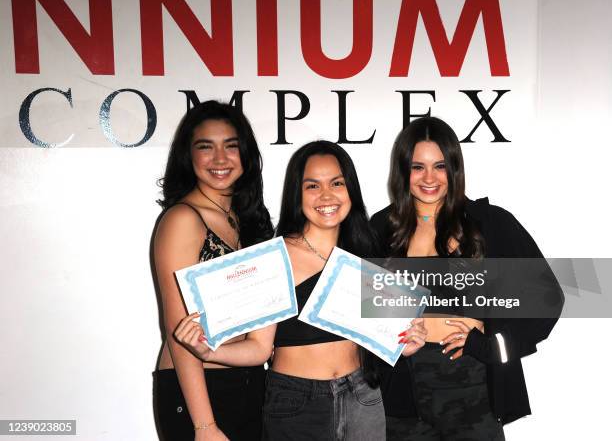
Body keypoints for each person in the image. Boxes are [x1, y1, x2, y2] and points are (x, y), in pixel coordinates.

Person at [175, 140, 428, 440]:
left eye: (337, 183)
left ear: (351, 190)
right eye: (312, 186)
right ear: (298, 193)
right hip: (296, 403)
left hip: (363, 397)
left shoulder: (366, 251)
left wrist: (404, 343)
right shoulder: (273, 257)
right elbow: (259, 349)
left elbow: (376, 340)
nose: (326, 195)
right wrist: (209, 350)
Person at [369, 117, 564, 440]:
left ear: (454, 170)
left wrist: (491, 340)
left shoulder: (490, 223)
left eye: (440, 166)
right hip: (401, 396)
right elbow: (361, 310)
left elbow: (547, 297)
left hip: (474, 388)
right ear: (403, 171)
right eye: (418, 167)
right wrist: (390, 339)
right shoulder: (380, 229)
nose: (429, 178)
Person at [152, 100, 274, 441]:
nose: (220, 159)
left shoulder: (247, 220)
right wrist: (204, 425)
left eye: (230, 147)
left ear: (245, 155)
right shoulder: (183, 219)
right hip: (199, 390)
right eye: (206, 148)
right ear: (188, 157)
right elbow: (179, 332)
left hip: (249, 382)